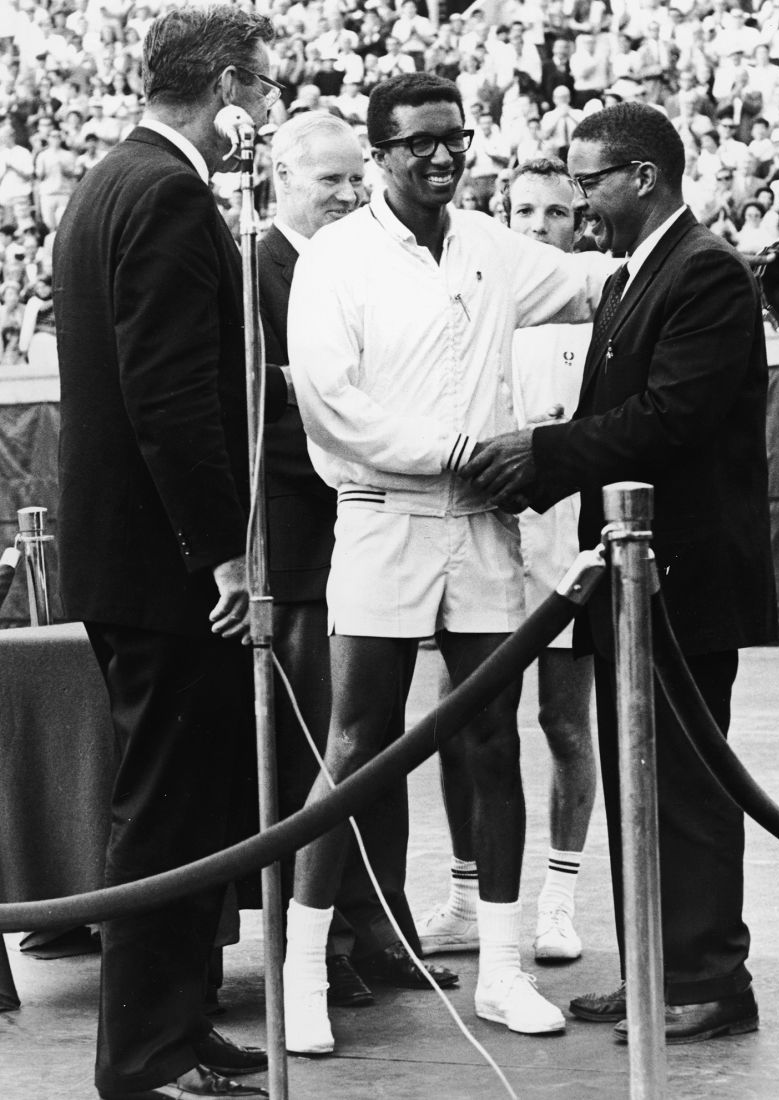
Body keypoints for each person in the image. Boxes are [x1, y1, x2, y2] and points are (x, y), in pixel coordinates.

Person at [283, 72, 612, 1053]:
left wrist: (735, 260)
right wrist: (457, 450)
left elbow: (602, 278)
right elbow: (331, 405)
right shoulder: (336, 257)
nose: (440, 156)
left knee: (490, 743)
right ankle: (302, 973)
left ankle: (504, 969)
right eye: (418, 142)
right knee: (353, 744)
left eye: (453, 139)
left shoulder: (490, 244)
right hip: (382, 515)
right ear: (382, 153)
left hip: (481, 529)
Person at [461, 100, 778, 1044]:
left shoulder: (705, 272)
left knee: (684, 788)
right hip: (638, 582)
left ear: (642, 176)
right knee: (643, 782)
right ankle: (657, 968)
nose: (580, 197)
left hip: (683, 582)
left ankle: (710, 980)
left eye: (590, 180)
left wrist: (542, 455)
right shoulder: (639, 276)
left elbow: (670, 417)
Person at [53, 7, 292, 1098]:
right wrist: (224, 558)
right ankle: (146, 1051)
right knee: (162, 806)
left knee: (191, 799)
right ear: (228, 85)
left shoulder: (115, 180)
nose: (264, 115)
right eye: (262, 91)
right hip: (166, 568)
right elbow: (172, 401)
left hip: (134, 557)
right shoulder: (163, 193)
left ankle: (182, 1023)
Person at [256, 109, 456, 1021]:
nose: (347, 195)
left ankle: (384, 929)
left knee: (379, 740)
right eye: (329, 181)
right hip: (304, 545)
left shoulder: (375, 257)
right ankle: (327, 945)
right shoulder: (254, 269)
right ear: (281, 179)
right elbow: (273, 425)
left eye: (352, 178)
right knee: (329, 746)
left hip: (380, 533)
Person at [422, 158, 597, 967]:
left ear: (577, 224)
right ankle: (464, 897)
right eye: (523, 211)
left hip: (565, 545)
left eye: (556, 213)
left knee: (564, 722)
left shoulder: (594, 314)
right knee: (467, 723)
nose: (538, 226)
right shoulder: (471, 303)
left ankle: (558, 901)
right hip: (482, 542)